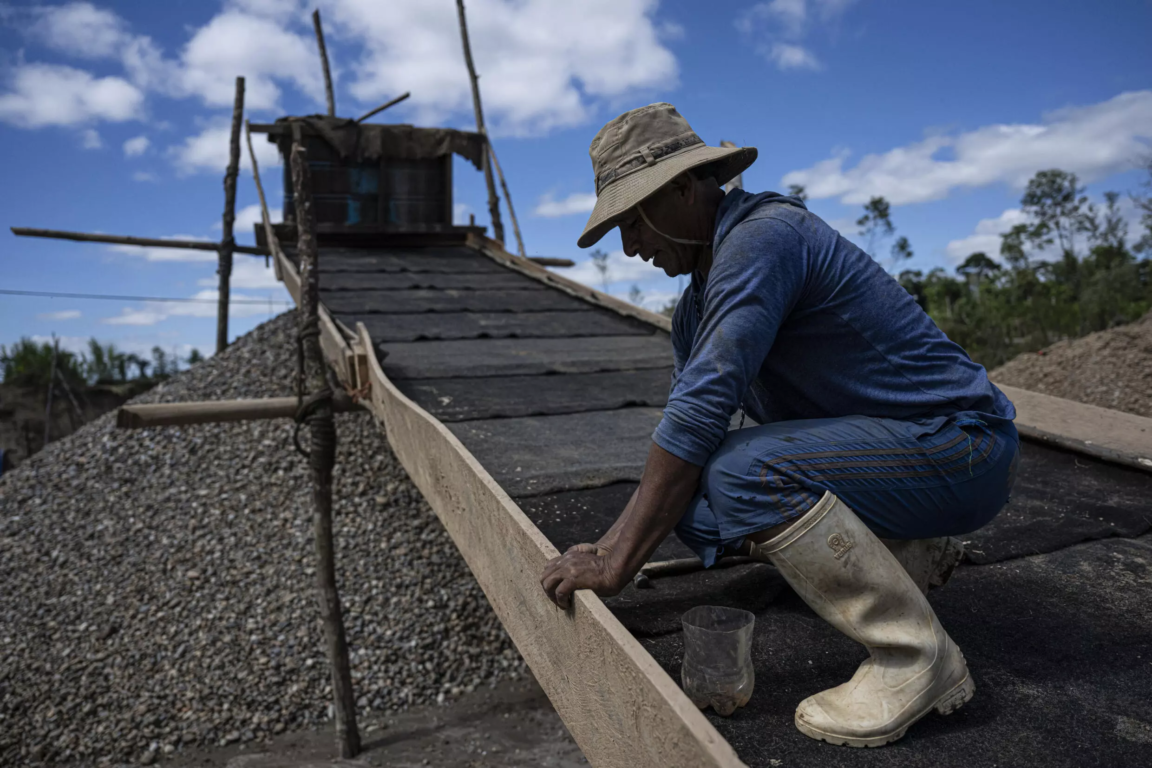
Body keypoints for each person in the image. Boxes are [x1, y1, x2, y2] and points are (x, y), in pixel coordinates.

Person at [539, 103, 1019, 747]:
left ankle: (917, 658)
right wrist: (605, 547)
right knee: (697, 506)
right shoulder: (695, 306)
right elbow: (689, 432)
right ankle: (907, 549)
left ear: (685, 188)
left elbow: (702, 411)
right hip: (897, 455)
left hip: (963, 445)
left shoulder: (764, 238)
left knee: (744, 473)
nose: (631, 247)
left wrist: (618, 561)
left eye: (633, 221)